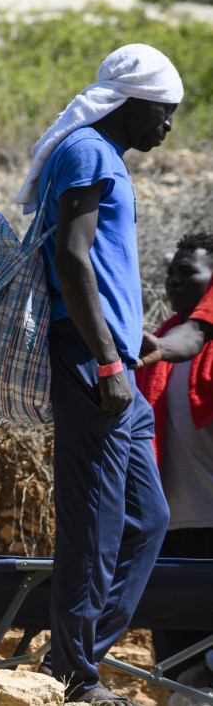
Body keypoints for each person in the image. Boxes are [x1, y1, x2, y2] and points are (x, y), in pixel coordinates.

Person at [17, 43, 178, 705]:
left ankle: (73, 656)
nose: (168, 127)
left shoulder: (104, 156)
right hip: (90, 361)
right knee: (97, 519)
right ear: (130, 103)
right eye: (162, 113)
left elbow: (96, 267)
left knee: (147, 517)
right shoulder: (85, 150)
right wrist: (109, 358)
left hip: (107, 352)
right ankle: (75, 675)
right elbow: (72, 257)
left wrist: (124, 330)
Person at [134, 233, 213, 685]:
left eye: (189, 272)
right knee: (178, 671)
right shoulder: (154, 345)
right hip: (168, 535)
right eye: (171, 271)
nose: (174, 280)